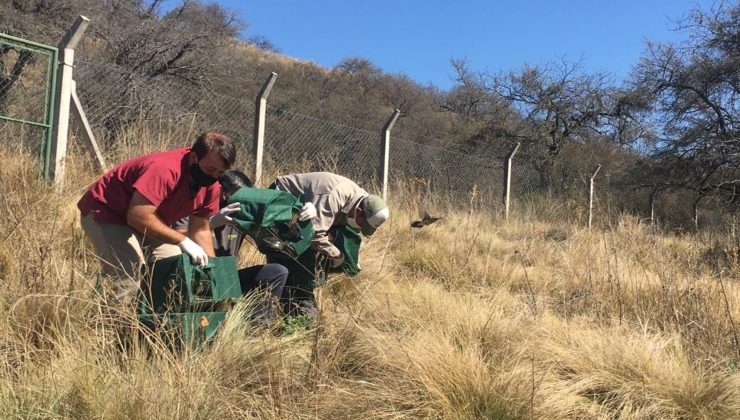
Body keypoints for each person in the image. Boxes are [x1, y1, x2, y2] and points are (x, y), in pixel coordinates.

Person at [77, 131, 236, 306]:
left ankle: (157, 325)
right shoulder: (165, 169)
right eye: (210, 170)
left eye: (220, 173)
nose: (213, 177)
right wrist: (183, 241)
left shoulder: (211, 186)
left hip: (152, 219)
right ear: (193, 158)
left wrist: (213, 273)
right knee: (128, 276)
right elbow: (138, 216)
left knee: (174, 270)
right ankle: (115, 330)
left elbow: (200, 230)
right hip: (107, 212)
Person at [173, 170, 291, 324]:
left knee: (277, 272)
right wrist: (213, 222)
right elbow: (177, 236)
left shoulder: (241, 216)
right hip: (197, 279)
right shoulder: (196, 206)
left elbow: (275, 226)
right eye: (235, 195)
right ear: (222, 191)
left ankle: (255, 328)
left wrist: (299, 213)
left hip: (227, 278)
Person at [268, 172, 390, 315]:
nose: (360, 229)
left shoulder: (363, 200)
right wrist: (338, 255)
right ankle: (281, 304)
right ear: (358, 211)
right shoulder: (333, 197)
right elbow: (313, 236)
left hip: (309, 212)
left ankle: (296, 302)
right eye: (362, 224)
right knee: (289, 261)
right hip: (281, 202)